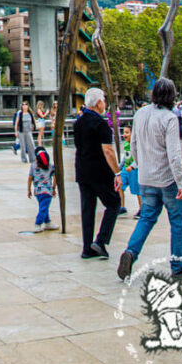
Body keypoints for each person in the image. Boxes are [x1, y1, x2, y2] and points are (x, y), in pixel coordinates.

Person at [117, 78, 182, 282]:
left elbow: (133, 144)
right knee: (177, 221)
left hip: (146, 178)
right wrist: (181, 183)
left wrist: (139, 164)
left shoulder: (140, 113)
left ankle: (131, 252)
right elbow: (174, 155)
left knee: (146, 218)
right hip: (167, 179)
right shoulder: (169, 118)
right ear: (171, 96)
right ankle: (177, 264)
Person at [73, 88, 122, 260]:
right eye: (104, 100)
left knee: (88, 208)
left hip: (82, 170)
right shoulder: (101, 124)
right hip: (99, 172)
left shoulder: (78, 123)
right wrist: (117, 172)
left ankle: (87, 248)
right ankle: (101, 241)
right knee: (114, 203)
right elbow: (108, 150)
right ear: (98, 103)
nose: (105, 104)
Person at [27, 145, 58, 232]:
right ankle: (38, 224)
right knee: (43, 208)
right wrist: (54, 188)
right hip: (47, 191)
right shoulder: (50, 166)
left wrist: (29, 190)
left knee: (43, 206)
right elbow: (55, 177)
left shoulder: (33, 166)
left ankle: (47, 222)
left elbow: (29, 178)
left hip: (37, 192)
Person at [119, 124, 142, 218]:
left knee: (137, 190)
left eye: (127, 132)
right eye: (124, 132)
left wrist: (132, 167)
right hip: (126, 168)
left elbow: (139, 158)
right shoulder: (125, 144)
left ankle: (142, 209)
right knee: (119, 185)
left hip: (135, 170)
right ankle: (121, 207)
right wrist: (119, 167)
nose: (124, 134)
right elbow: (126, 157)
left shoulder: (137, 145)